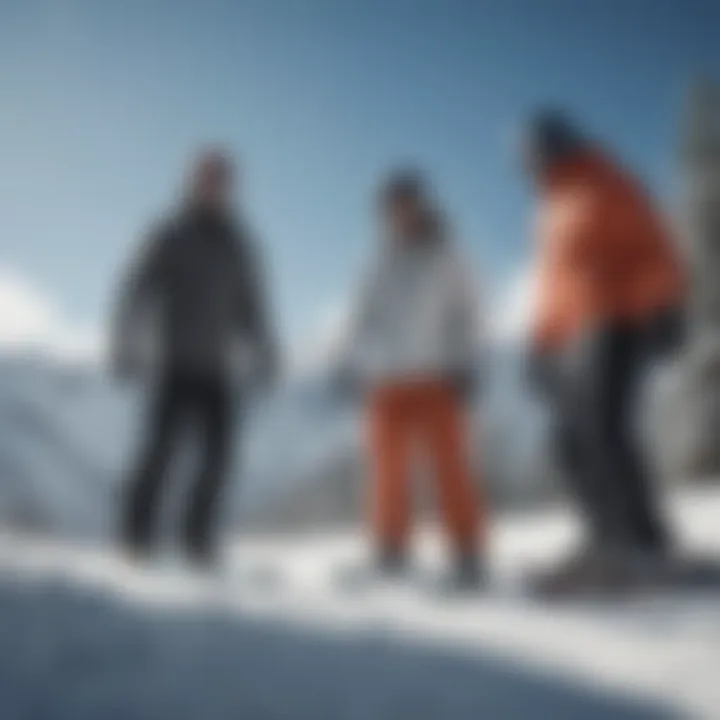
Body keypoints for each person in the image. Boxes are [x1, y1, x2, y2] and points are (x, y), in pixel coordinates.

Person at [522, 111, 686, 591]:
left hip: (618, 318)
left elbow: (649, 245)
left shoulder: (605, 182)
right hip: (575, 334)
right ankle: (620, 538)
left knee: (601, 431)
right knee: (571, 438)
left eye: (535, 152)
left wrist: (662, 303)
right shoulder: (553, 207)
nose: (529, 164)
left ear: (557, 146)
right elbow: (555, 286)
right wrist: (541, 343)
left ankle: (631, 542)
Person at [112, 149, 277, 565]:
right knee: (160, 453)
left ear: (231, 188)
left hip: (216, 369)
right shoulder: (171, 235)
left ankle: (197, 540)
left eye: (222, 181)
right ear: (193, 184)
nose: (215, 188)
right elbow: (136, 289)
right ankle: (137, 538)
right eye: (207, 179)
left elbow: (252, 307)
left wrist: (265, 351)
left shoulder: (239, 244)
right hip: (174, 364)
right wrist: (125, 341)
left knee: (219, 457)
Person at [336, 170, 486, 589]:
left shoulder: (448, 251)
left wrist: (467, 361)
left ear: (420, 204)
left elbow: (469, 309)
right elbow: (361, 316)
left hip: (438, 375)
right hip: (386, 381)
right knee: (387, 471)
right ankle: (391, 549)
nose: (398, 213)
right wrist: (351, 361)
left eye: (406, 203)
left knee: (451, 467)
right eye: (390, 207)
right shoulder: (377, 259)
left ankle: (467, 551)